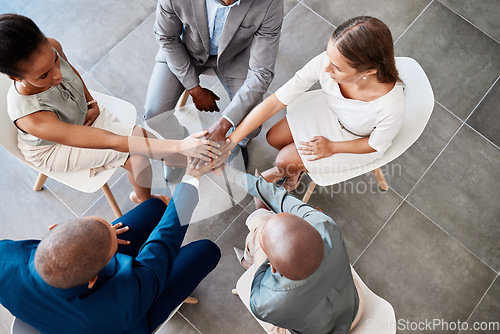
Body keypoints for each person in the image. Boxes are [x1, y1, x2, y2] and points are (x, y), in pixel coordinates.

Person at [0, 14, 221, 204]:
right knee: (136, 156)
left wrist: (90, 102)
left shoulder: (52, 46)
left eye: (55, 61)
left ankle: (175, 157)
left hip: (79, 115)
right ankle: (146, 199)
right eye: (44, 75)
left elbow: (72, 73)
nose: (57, 75)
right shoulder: (33, 119)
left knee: (141, 137)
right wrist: (180, 144)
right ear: (15, 77)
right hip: (54, 147)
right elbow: (112, 141)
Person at [0, 153, 227, 333]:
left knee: (154, 208)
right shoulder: (127, 301)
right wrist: (192, 177)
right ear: (93, 280)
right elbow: (163, 242)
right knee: (207, 250)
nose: (112, 228)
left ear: (55, 228)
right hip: (129, 321)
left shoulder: (4, 256)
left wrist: (99, 241)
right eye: (112, 251)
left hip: (52, 304)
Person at [225, 16, 405, 191]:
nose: (327, 69)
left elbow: (374, 145)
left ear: (369, 71)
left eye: (338, 68)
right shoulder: (327, 64)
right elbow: (274, 103)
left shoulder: (391, 106)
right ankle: (296, 167)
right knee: (273, 137)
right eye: (329, 57)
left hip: (355, 140)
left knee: (283, 160)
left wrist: (332, 147)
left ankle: (289, 172)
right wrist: (231, 142)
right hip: (330, 113)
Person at [144, 0, 284, 180]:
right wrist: (195, 89)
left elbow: (261, 73)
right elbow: (166, 38)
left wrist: (225, 122)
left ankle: (238, 143)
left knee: (253, 124)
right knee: (154, 116)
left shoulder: (270, 3)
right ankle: (183, 143)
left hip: (235, 56)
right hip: (185, 50)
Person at [225, 166, 364, 334]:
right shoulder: (326, 227)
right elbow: (279, 198)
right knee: (263, 229)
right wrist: (234, 174)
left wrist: (229, 172)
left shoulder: (263, 303)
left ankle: (251, 262)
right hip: (354, 308)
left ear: (272, 267)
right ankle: (255, 246)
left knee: (258, 234)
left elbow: (257, 294)